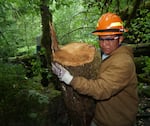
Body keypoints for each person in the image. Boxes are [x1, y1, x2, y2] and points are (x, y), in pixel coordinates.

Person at [52, 12, 139, 126]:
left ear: (120, 39)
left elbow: (101, 89)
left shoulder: (123, 62)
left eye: (109, 39)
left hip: (115, 121)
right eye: (101, 39)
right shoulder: (108, 54)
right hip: (102, 116)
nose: (104, 44)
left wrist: (69, 79)